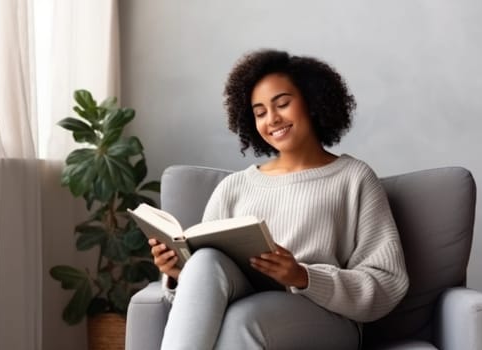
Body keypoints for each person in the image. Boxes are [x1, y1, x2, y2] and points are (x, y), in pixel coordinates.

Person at [148, 49, 409, 350]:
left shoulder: (354, 178)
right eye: (259, 112)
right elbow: (200, 305)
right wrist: (181, 273)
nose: (272, 119)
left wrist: (303, 276)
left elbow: (387, 281)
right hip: (246, 306)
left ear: (311, 102)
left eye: (282, 104)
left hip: (327, 317)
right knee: (205, 260)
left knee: (243, 320)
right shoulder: (234, 187)